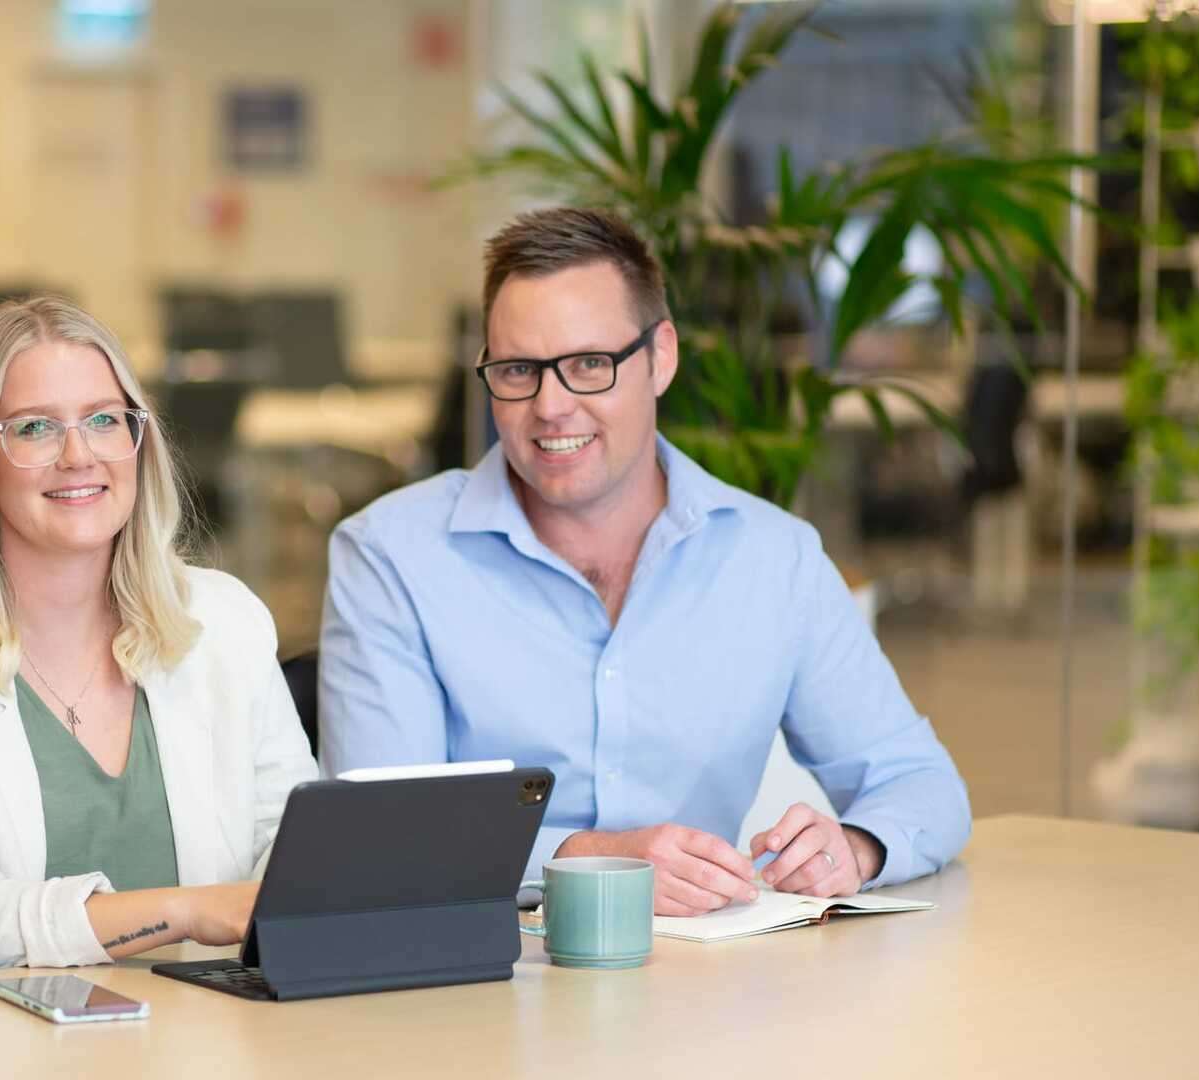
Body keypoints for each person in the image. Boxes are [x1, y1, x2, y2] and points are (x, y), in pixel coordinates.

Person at [318, 208, 970, 916]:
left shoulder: (773, 557)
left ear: (661, 357)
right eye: (518, 370)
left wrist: (855, 849)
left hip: (715, 974)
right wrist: (593, 860)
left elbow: (920, 784)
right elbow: (382, 833)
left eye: (588, 365)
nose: (551, 406)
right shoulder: (391, 556)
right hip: (486, 972)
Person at [0, 296, 317, 996]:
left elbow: (294, 846)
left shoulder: (224, 624)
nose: (78, 456)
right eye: (35, 428)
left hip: (190, 1031)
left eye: (103, 420)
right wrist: (188, 910)